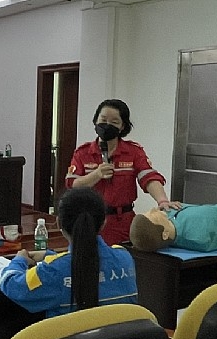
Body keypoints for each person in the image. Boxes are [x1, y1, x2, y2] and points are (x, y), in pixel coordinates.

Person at [0, 187, 138, 318]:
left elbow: (12, 285)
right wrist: (50, 256)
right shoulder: (125, 258)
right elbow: (86, 261)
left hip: (71, 336)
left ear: (58, 223)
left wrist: (20, 260)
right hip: (120, 336)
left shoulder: (52, 272)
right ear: (104, 223)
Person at [65, 99, 180, 245]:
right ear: (96, 120)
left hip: (122, 221)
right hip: (89, 220)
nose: (107, 125)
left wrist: (162, 200)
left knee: (123, 256)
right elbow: (72, 185)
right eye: (103, 120)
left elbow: (149, 177)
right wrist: (96, 174)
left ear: (122, 126)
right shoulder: (83, 153)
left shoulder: (133, 152)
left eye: (114, 122)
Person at [129, 203, 217, 252]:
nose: (153, 209)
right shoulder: (199, 233)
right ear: (165, 234)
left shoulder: (170, 217)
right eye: (153, 216)